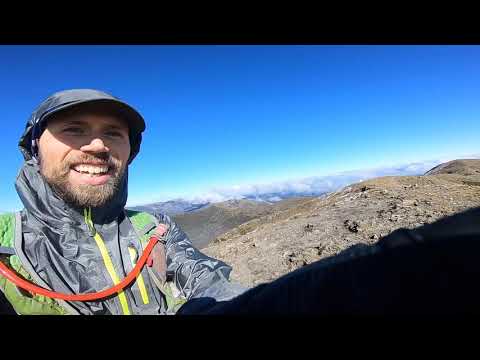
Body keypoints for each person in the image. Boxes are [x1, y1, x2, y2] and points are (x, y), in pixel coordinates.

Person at [0, 89, 247, 315]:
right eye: (74, 129)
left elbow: (209, 283)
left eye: (113, 133)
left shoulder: (155, 229)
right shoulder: (5, 244)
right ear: (35, 148)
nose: (98, 145)